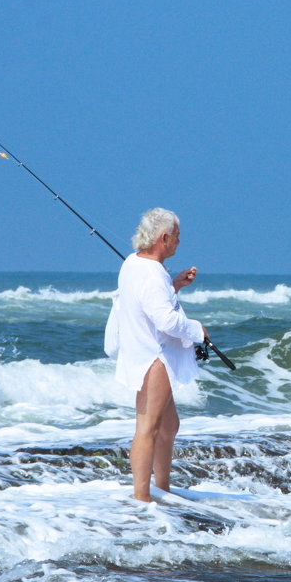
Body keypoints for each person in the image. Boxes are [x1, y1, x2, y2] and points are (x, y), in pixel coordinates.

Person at [104, 208, 207, 501]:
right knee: (147, 428)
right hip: (154, 356)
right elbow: (167, 322)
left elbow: (148, 303)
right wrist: (199, 330)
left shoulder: (133, 263)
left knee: (169, 424)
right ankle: (142, 498)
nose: (178, 241)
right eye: (176, 236)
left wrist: (174, 285)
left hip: (146, 351)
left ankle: (162, 489)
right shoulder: (151, 274)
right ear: (164, 237)